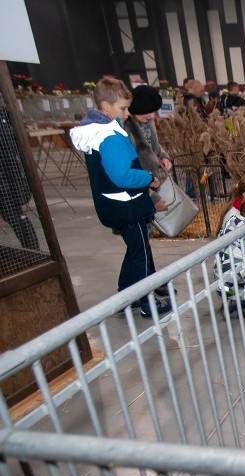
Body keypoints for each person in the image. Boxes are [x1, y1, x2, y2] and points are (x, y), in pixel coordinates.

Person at [69, 77, 171, 318]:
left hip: (114, 204)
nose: (127, 113)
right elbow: (122, 176)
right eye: (123, 108)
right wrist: (147, 178)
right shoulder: (110, 136)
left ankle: (125, 297)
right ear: (106, 106)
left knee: (135, 250)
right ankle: (147, 302)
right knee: (142, 253)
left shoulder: (97, 133)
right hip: (127, 204)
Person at [125, 84, 173, 297]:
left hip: (149, 182)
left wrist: (164, 156)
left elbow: (154, 147)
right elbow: (130, 170)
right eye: (148, 112)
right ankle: (145, 286)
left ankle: (127, 289)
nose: (152, 116)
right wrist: (152, 199)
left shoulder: (146, 124)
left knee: (139, 245)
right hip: (138, 190)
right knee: (140, 245)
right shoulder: (126, 130)